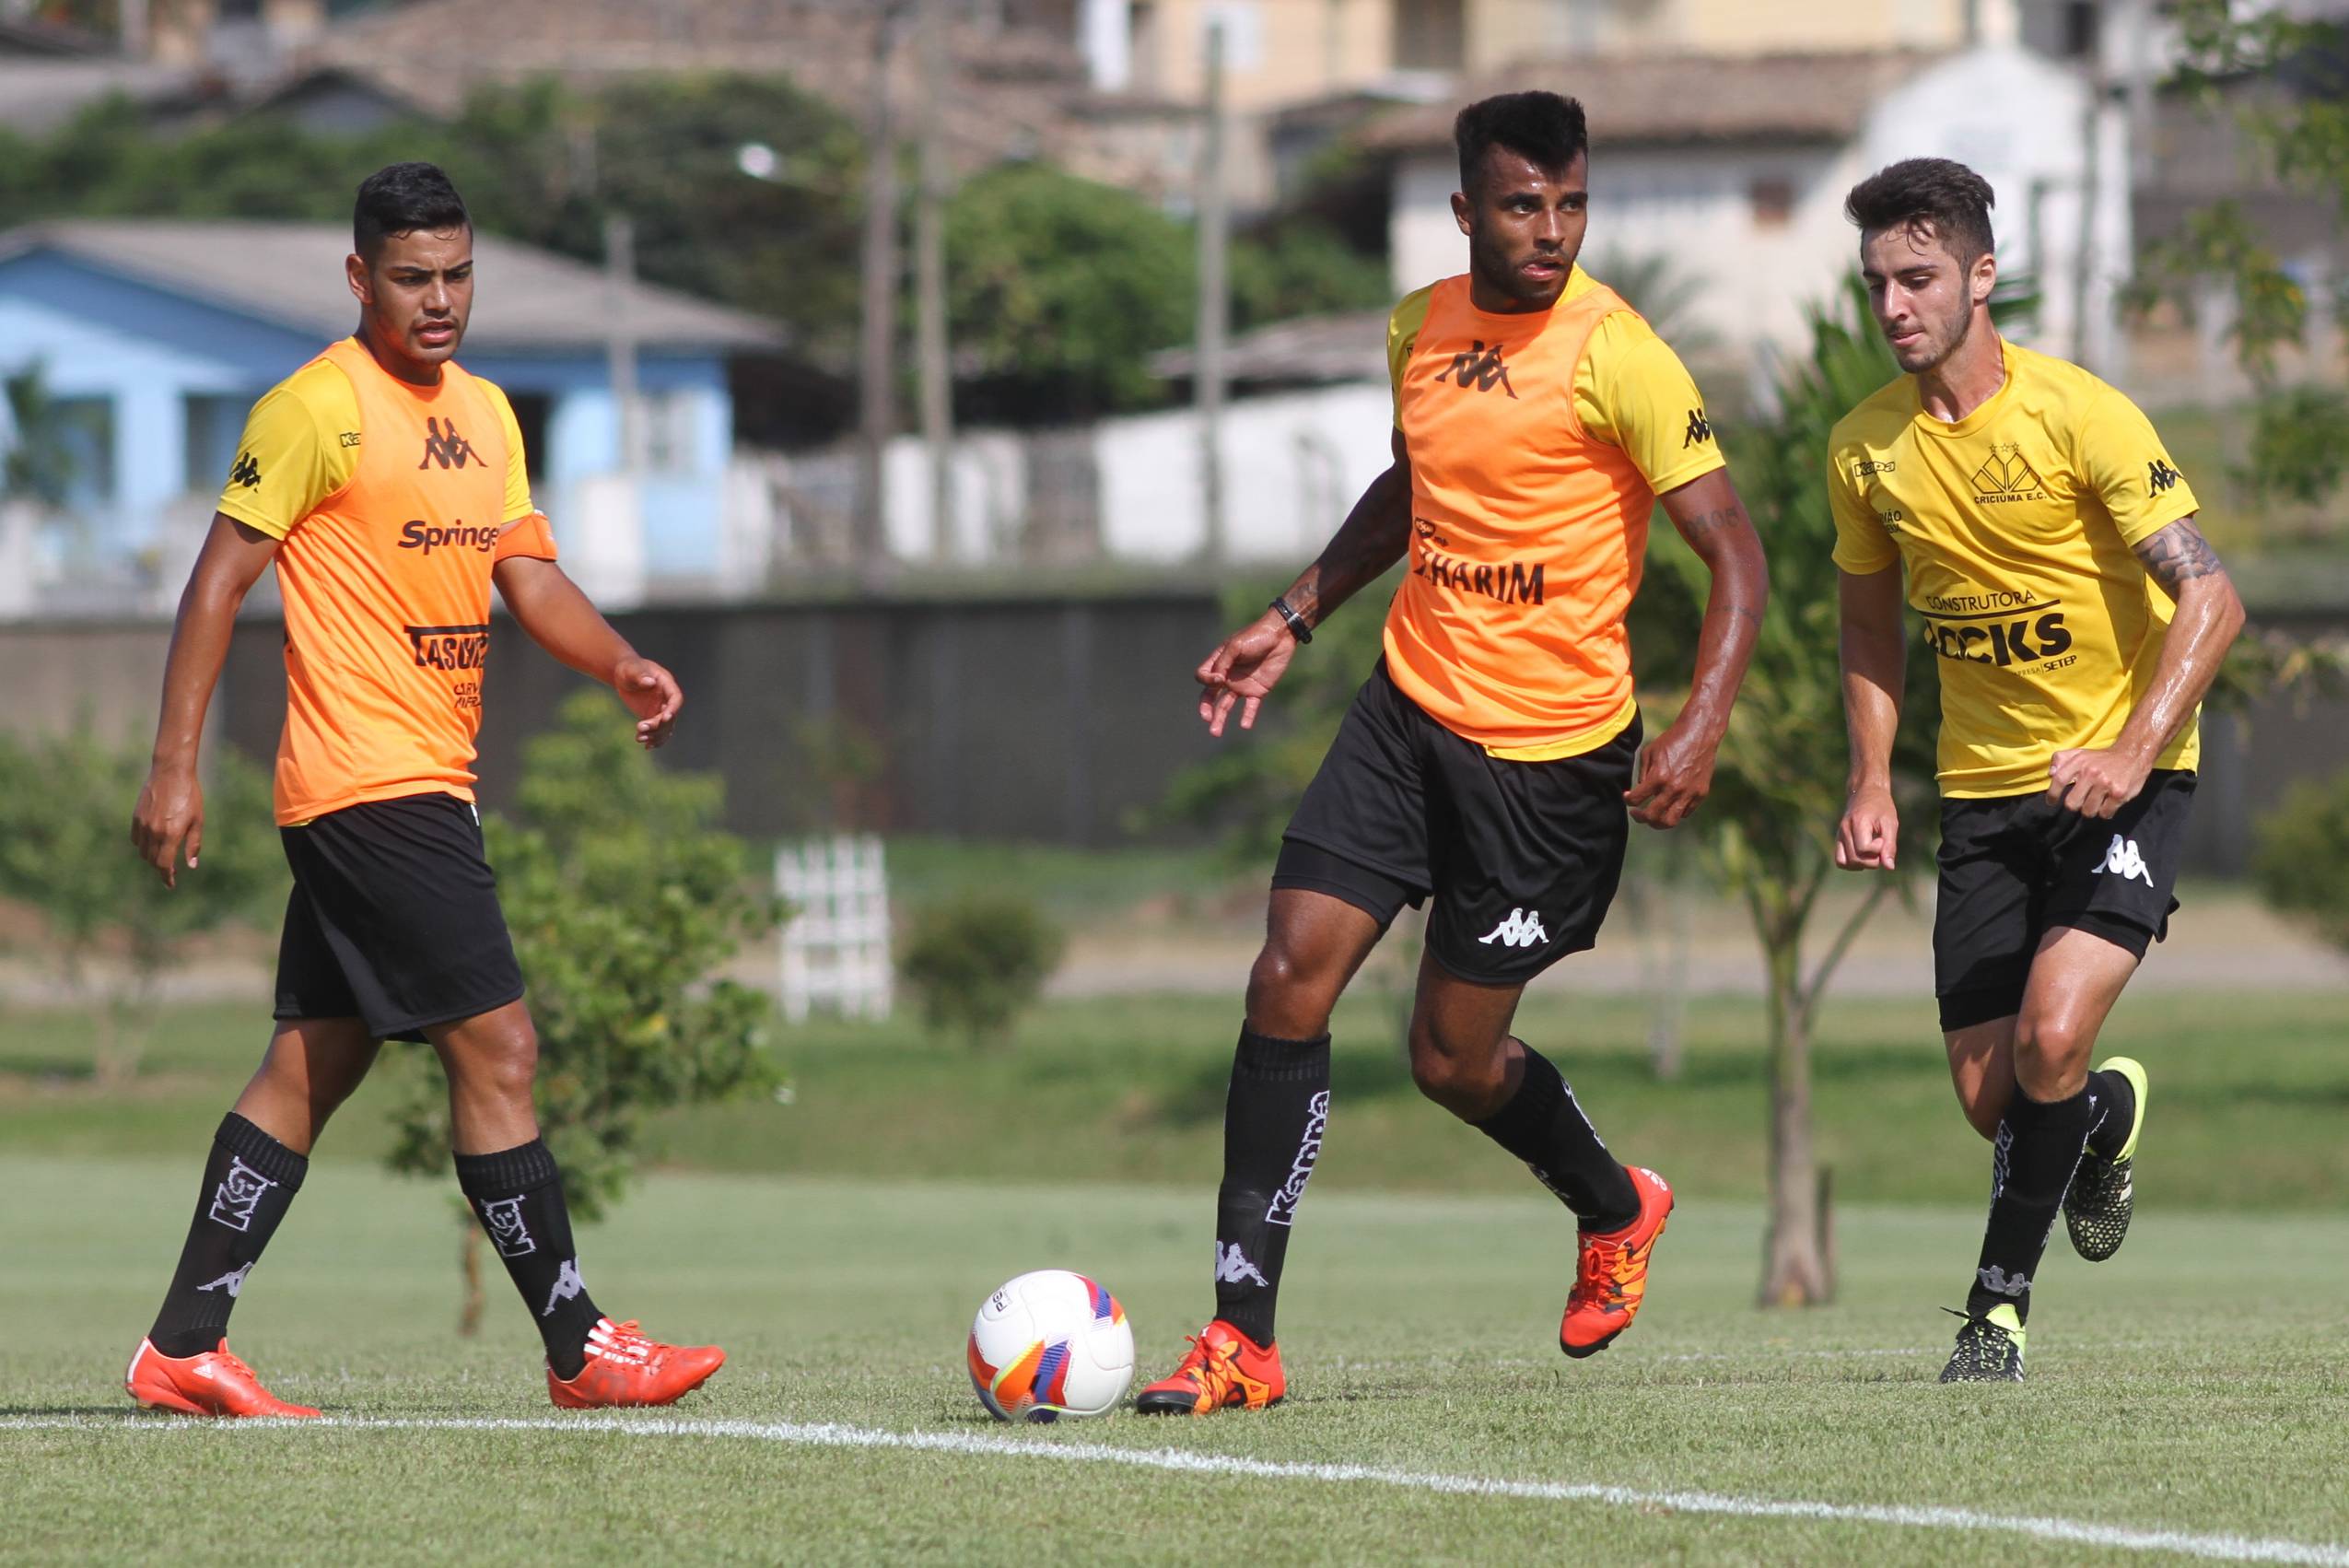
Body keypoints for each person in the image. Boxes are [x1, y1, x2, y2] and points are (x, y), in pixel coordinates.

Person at [1136, 91, 1768, 1416]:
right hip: (1406, 711)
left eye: (1569, 204)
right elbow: (1415, 486)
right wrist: (1291, 614)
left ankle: (1612, 1202)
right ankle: (1240, 1336)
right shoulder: (1415, 325)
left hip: (1549, 764)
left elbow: (1733, 554)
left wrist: (1698, 720)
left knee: (1449, 1061)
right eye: (1522, 204)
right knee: (1285, 975)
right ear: (1464, 209)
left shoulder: (1620, 352)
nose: (1549, 230)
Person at [123, 162, 726, 1417]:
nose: (438, 299)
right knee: (499, 1042)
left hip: (422, 784)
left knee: (310, 1064)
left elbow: (530, 572)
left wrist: (620, 663)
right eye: (411, 278)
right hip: (363, 781)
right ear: (359, 278)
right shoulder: (315, 409)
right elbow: (214, 585)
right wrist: (174, 764)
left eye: (456, 275)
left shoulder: (491, 413)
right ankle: (579, 1344)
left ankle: (184, 1341)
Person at [1828, 158, 2244, 1382]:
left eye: (1916, 277)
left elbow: (2208, 598)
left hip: (2128, 775)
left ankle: (1992, 1314)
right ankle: (2102, 1118)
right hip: (1977, 795)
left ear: (1980, 276)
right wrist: (1867, 776)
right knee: (1991, 1097)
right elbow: (1864, 626)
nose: (1894, 305)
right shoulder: (1864, 451)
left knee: (2048, 1037)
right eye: (1875, 286)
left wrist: (2126, 749)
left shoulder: (2080, 414)